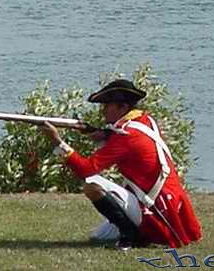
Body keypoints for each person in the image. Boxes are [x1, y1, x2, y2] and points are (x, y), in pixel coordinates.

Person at [40, 79, 202, 250]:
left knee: (91, 185)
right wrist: (101, 134)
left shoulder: (126, 136)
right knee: (98, 238)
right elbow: (127, 139)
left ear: (123, 108)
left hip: (155, 210)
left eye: (107, 105)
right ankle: (131, 230)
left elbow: (85, 169)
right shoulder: (146, 121)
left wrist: (58, 142)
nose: (103, 111)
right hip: (168, 206)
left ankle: (131, 236)